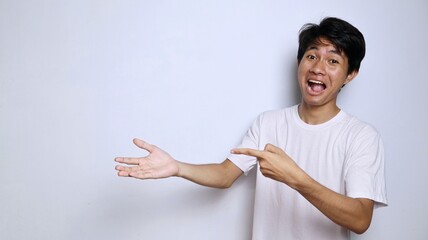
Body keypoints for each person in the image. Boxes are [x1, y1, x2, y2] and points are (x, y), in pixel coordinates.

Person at [115, 17, 387, 239]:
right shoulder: (268, 123)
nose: (318, 67)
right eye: (312, 56)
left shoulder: (360, 136)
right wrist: (177, 167)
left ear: (350, 74)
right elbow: (225, 174)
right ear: (299, 62)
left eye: (333, 61)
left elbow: (360, 218)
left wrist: (296, 178)